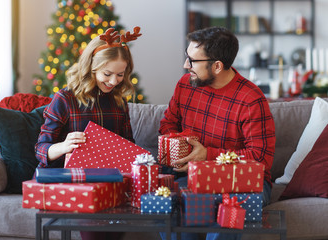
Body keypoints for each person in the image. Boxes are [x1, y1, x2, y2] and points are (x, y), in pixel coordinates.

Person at [159, 26, 275, 240]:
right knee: (168, 201)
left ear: (218, 66)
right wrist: (180, 146)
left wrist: (207, 156)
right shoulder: (185, 85)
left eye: (192, 61)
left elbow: (261, 159)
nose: (186, 65)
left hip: (244, 182)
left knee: (229, 208)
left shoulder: (251, 99)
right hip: (191, 176)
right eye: (187, 57)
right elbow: (168, 124)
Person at [35, 27, 142, 240]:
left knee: (116, 223)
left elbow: (129, 145)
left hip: (110, 182)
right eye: (107, 74)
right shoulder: (66, 99)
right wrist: (64, 146)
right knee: (95, 226)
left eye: (120, 75)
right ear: (91, 67)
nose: (114, 81)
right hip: (72, 181)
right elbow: (40, 149)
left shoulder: (119, 102)